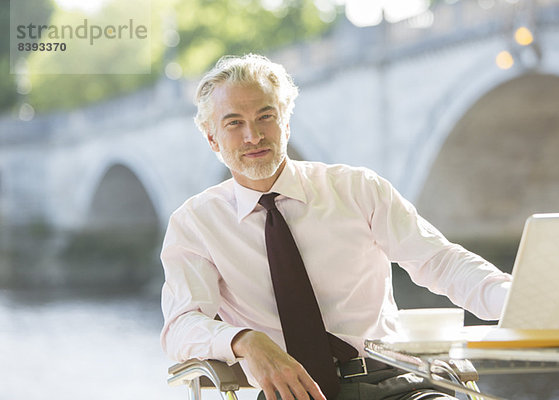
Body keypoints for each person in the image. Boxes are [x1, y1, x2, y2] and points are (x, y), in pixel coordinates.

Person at [160, 54, 512, 400]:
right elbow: (180, 327)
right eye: (234, 123)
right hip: (292, 392)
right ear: (212, 139)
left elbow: (440, 261)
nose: (253, 135)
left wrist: (518, 301)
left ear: (285, 123)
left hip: (397, 382)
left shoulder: (356, 189)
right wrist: (244, 340)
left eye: (265, 116)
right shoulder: (194, 224)